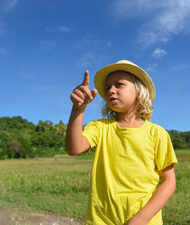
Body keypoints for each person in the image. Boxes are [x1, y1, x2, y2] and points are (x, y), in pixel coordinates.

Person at [66, 60, 178, 225]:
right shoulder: (100, 127)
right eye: (108, 87)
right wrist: (78, 109)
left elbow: (169, 181)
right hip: (103, 219)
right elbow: (74, 148)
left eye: (119, 85)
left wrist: (141, 219)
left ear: (139, 92)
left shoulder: (157, 133)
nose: (111, 90)